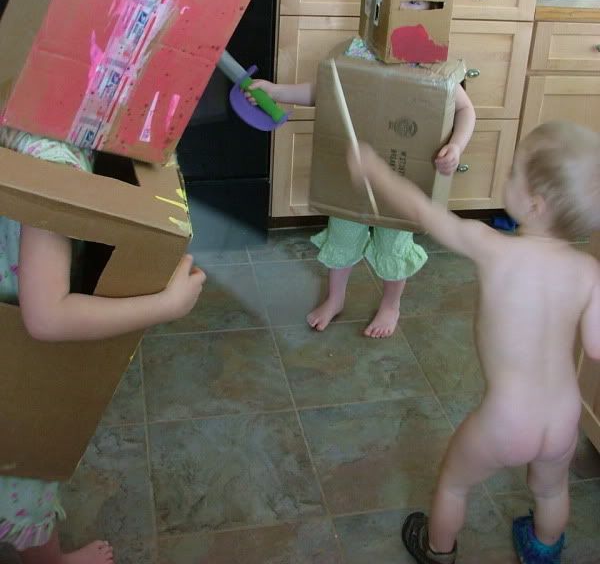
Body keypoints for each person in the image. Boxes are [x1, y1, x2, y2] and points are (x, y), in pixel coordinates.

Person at [347, 120, 600, 564]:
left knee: (454, 482)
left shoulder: (493, 246)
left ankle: (438, 550)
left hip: (506, 419)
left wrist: (374, 170)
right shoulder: (588, 270)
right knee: (551, 490)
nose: (506, 176)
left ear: (535, 205)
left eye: (514, 173)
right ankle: (543, 551)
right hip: (563, 416)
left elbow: (426, 213)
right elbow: (596, 348)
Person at [0, 128, 206, 564]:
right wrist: (166, 305)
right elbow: (47, 316)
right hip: (15, 370)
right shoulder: (55, 160)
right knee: (26, 466)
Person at [247, 34, 475, 338]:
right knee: (342, 237)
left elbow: (465, 110)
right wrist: (276, 91)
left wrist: (456, 146)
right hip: (353, 175)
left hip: (400, 181)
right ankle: (335, 298)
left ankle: (391, 305)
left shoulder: (431, 68)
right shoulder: (361, 53)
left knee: (392, 247)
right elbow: (325, 91)